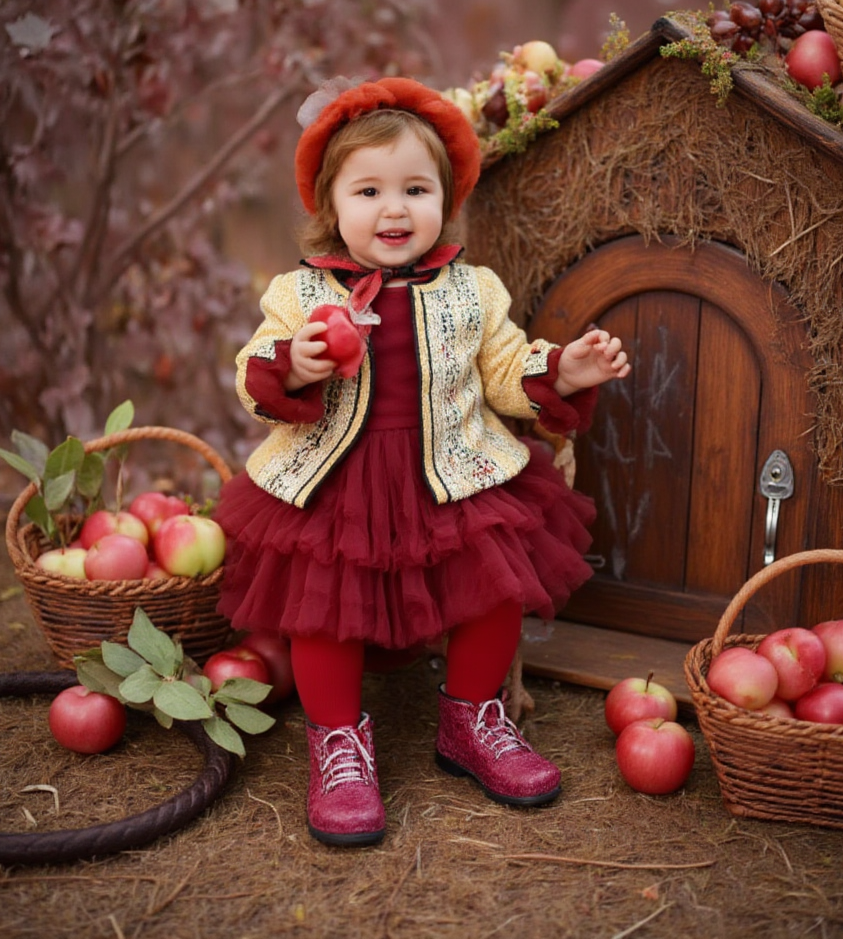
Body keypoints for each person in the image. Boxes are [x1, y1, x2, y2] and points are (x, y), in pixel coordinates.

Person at [214, 77, 631, 847]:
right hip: (336, 484)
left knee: (491, 591)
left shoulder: (473, 290)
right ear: (330, 207)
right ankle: (337, 742)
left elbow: (504, 371)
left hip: (454, 473)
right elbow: (252, 371)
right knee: (325, 611)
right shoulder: (301, 292)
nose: (395, 208)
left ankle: (472, 719)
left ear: (447, 197)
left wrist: (562, 372)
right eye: (368, 190)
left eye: (416, 188)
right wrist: (298, 362)